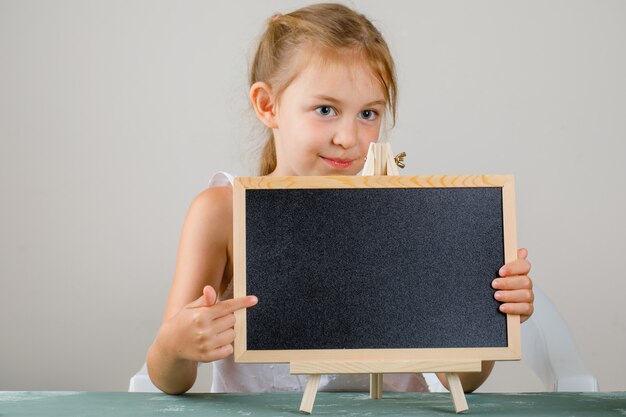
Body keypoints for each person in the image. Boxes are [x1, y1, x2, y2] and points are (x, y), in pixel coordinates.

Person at [146, 3, 534, 395]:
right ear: (268, 105)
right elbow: (168, 377)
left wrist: (494, 316)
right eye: (326, 109)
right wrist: (176, 345)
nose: (348, 138)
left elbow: (463, 382)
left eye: (368, 114)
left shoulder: (408, 217)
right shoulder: (222, 213)